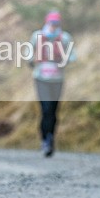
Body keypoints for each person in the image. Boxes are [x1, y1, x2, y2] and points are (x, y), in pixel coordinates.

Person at [29, 10, 75, 157]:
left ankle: (51, 138)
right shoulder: (37, 36)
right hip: (41, 79)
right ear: (46, 22)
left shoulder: (65, 38)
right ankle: (45, 139)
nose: (53, 26)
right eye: (51, 23)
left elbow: (72, 55)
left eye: (56, 23)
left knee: (54, 111)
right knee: (46, 109)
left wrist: (64, 60)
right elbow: (28, 54)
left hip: (57, 79)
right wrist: (32, 60)